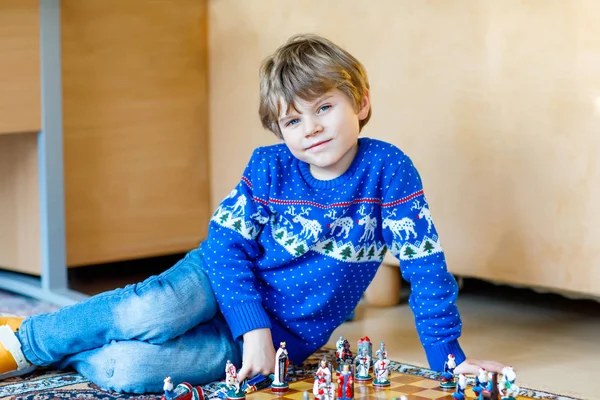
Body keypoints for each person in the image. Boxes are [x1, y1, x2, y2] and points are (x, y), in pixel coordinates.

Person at [0, 33, 504, 393]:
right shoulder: (269, 166)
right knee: (153, 312)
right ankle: (26, 339)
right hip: (219, 279)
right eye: (292, 119)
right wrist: (252, 329)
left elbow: (427, 270)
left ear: (361, 102)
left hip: (287, 332)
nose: (310, 127)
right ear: (278, 128)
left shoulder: (389, 171)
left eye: (324, 107)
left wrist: (450, 361)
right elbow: (224, 250)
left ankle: (72, 340)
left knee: (128, 369)